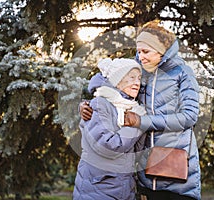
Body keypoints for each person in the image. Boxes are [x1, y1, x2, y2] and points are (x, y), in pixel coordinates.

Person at [80, 21, 201, 200]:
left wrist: (141, 121)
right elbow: (105, 80)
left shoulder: (182, 73)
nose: (140, 56)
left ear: (161, 49)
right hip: (144, 176)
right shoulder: (138, 69)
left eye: (145, 51)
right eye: (138, 51)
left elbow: (189, 116)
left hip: (176, 177)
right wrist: (87, 104)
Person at [73, 58, 147, 200]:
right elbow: (108, 147)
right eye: (131, 77)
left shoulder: (132, 108)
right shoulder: (99, 104)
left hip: (124, 188)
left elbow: (136, 152)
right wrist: (135, 125)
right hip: (98, 188)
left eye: (139, 78)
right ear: (117, 80)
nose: (137, 82)